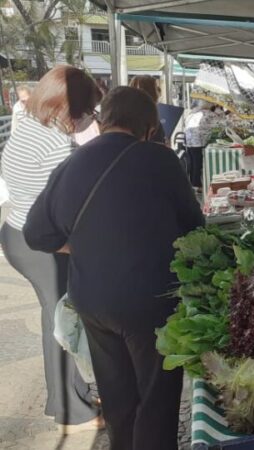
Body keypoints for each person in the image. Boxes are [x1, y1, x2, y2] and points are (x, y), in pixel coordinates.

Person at [24, 86, 205, 450]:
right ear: (150, 126)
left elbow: (35, 233)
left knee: (117, 394)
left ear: (103, 119)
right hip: (150, 300)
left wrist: (81, 245)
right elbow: (195, 230)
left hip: (93, 300)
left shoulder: (71, 163)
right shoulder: (161, 160)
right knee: (156, 397)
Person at [0, 65, 103, 433]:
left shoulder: (29, 122)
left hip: (17, 232)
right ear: (65, 108)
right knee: (59, 322)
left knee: (61, 316)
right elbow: (68, 206)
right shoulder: (56, 143)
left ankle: (73, 393)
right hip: (42, 244)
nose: (89, 119)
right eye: (88, 112)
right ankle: (67, 410)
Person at [184, 100, 224, 188]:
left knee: (193, 162)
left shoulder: (194, 111)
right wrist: (219, 110)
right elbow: (221, 123)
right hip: (198, 140)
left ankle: (192, 184)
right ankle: (197, 185)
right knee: (198, 163)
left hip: (189, 140)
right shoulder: (208, 114)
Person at [129, 75, 167, 145]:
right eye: (156, 87)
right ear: (151, 91)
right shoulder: (151, 119)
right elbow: (158, 147)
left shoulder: (127, 116)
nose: (159, 91)